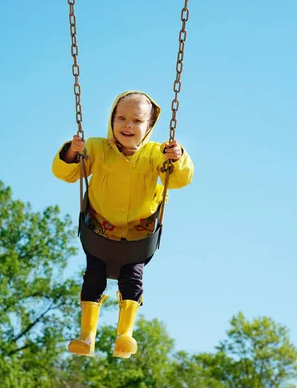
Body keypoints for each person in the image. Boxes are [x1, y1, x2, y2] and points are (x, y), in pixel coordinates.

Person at [52, 91, 194, 358]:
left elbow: (179, 180)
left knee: (132, 280)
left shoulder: (156, 154)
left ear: (149, 126)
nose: (128, 125)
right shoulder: (96, 148)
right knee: (93, 279)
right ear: (112, 120)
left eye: (137, 120)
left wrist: (178, 156)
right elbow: (68, 173)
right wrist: (72, 152)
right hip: (100, 228)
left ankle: (125, 335)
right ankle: (86, 337)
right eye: (121, 118)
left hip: (137, 234)